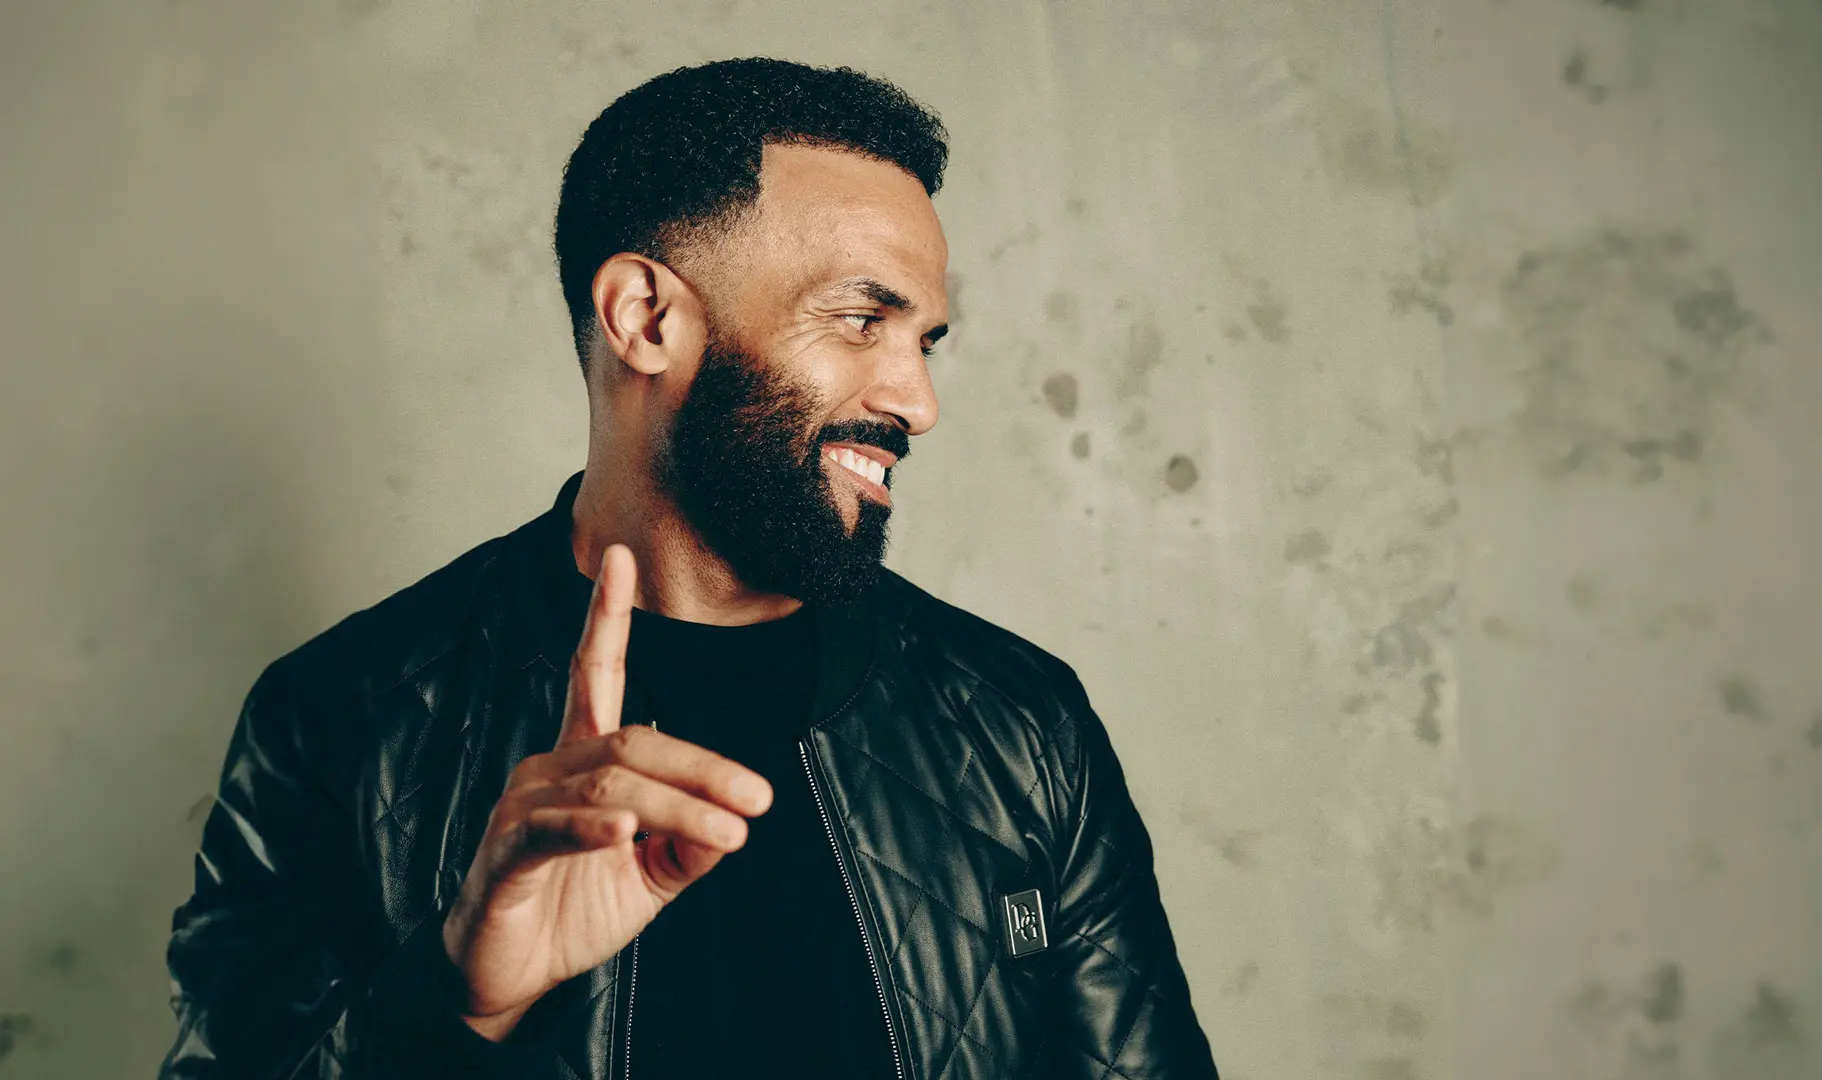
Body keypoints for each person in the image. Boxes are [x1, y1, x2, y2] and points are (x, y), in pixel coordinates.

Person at [159, 57, 1218, 1079]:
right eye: (862, 320)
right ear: (646, 318)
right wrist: (460, 1007)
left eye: (924, 340)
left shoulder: (1021, 723)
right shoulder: (340, 716)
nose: (918, 401)